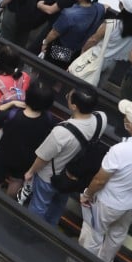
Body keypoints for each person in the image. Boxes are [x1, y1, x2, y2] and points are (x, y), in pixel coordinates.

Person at [77, 100, 132, 262]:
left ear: (130, 125)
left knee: (93, 233)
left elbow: (100, 180)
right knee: (117, 235)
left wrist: (88, 194)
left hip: (108, 203)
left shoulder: (120, 150)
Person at [23, 86, 105, 225]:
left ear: (74, 106)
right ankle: (50, 228)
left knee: (39, 205)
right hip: (72, 176)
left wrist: (30, 172)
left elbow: (43, 158)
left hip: (49, 177)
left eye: (69, 96)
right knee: (58, 205)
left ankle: (31, 230)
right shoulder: (101, 118)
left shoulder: (61, 132)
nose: (66, 95)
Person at [0, 80, 57, 198]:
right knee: (17, 181)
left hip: (3, 155)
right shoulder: (49, 120)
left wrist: (11, 103)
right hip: (26, 159)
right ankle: (7, 203)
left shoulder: (12, 115)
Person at [41, 0, 105, 68]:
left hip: (62, 49)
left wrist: (45, 43)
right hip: (78, 51)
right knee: (64, 72)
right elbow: (105, 7)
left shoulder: (69, 14)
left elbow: (54, 33)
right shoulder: (100, 9)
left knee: (51, 69)